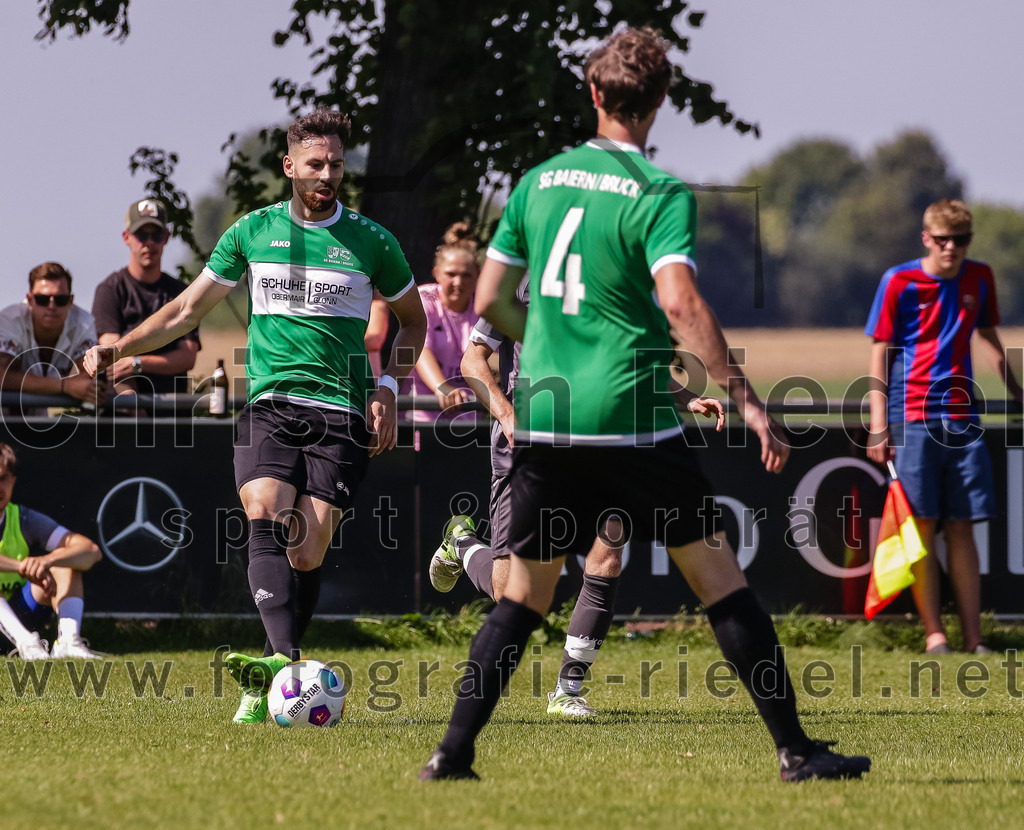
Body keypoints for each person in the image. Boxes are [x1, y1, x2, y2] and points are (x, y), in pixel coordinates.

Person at [420, 27, 871, 783]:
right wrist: (746, 399)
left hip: (547, 422)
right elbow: (681, 303)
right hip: (632, 425)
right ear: (662, 99)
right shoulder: (659, 193)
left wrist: (558, 346)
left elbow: (491, 299)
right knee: (721, 584)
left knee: (520, 600)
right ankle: (796, 751)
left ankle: (450, 754)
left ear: (594, 93)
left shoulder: (537, 183)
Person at [83, 107, 426, 724]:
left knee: (307, 551)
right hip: (269, 404)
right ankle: (288, 665)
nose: (327, 175)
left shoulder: (374, 241)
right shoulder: (253, 231)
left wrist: (387, 389)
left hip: (341, 410)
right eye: (315, 164)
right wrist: (119, 348)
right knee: (263, 510)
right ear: (289, 166)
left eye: (336, 165)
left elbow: (414, 323)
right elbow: (185, 311)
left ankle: (268, 668)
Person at [430, 276, 723, 717]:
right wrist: (507, 416)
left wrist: (685, 396)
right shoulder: (520, 279)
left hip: (601, 441)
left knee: (607, 555)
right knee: (513, 591)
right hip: (527, 443)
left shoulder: (611, 274)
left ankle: (568, 689)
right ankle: (463, 543)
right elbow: (473, 360)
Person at [866, 199, 1022, 655]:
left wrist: (1017, 390)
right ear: (926, 239)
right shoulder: (898, 280)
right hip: (911, 415)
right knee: (921, 525)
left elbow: (989, 337)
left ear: (969, 240)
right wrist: (879, 423)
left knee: (962, 526)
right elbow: (879, 350)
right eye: (941, 240)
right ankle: (934, 633)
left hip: (962, 417)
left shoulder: (981, 277)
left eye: (960, 239)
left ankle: (974, 638)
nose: (950, 247)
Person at [0, 443, 104, 659]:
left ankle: (68, 643)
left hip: (19, 615)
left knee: (65, 562)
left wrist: (46, 561)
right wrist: (23, 566)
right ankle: (27, 644)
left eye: (3, 478)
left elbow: (90, 551)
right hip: (20, 635)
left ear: (13, 481)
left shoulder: (23, 518)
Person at [91, 198, 201, 398]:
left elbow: (187, 357)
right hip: (123, 408)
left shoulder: (180, 293)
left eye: (156, 235)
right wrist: (134, 406)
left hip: (172, 409)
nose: (149, 242)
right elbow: (112, 357)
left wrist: (137, 363)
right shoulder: (110, 290)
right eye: (141, 235)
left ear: (166, 237)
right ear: (126, 237)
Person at [0, 262, 107, 412]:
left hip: (60, 420)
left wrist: (89, 387)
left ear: (70, 300)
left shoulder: (84, 323)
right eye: (42, 299)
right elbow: (1, 376)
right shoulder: (10, 320)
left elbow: (89, 377)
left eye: (60, 299)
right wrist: (65, 386)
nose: (52, 306)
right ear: (30, 299)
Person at [403, 222, 480, 421]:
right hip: (422, 415)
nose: (458, 282)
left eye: (466, 275)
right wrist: (443, 388)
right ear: (437, 273)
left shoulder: (483, 306)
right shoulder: (424, 298)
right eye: (451, 274)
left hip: (469, 417)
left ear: (477, 276)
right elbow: (419, 349)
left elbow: (494, 359)